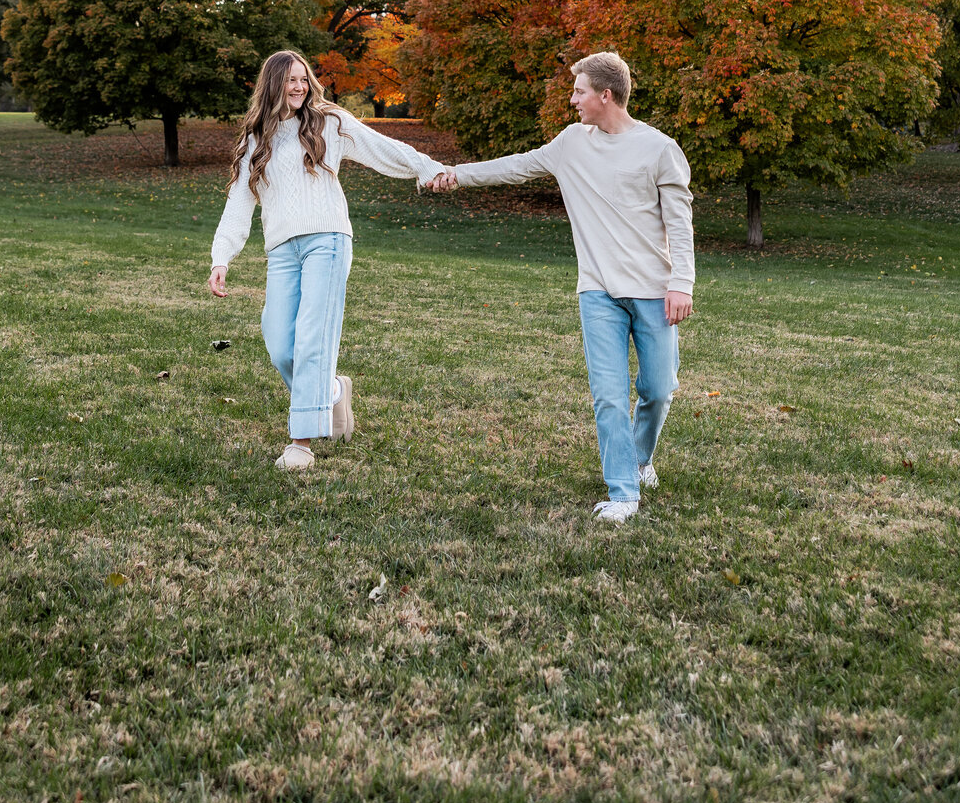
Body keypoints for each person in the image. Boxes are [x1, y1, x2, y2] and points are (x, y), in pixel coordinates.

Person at [430, 51, 693, 523]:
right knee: (608, 394)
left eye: (579, 92)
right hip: (597, 291)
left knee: (659, 388)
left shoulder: (659, 149)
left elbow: (680, 221)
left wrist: (682, 284)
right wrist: (457, 174)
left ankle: (641, 458)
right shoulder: (573, 143)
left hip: (654, 291)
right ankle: (623, 492)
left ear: (605, 95)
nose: (573, 100)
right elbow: (517, 165)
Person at [209, 49, 449, 472]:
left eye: (304, 78)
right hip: (282, 250)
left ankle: (300, 444)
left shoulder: (329, 122)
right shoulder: (256, 139)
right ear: (272, 85)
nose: (300, 86)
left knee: (312, 339)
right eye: (290, 80)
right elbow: (239, 201)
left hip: (328, 241)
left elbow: (381, 147)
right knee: (280, 342)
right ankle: (333, 393)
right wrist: (221, 257)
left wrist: (426, 168)